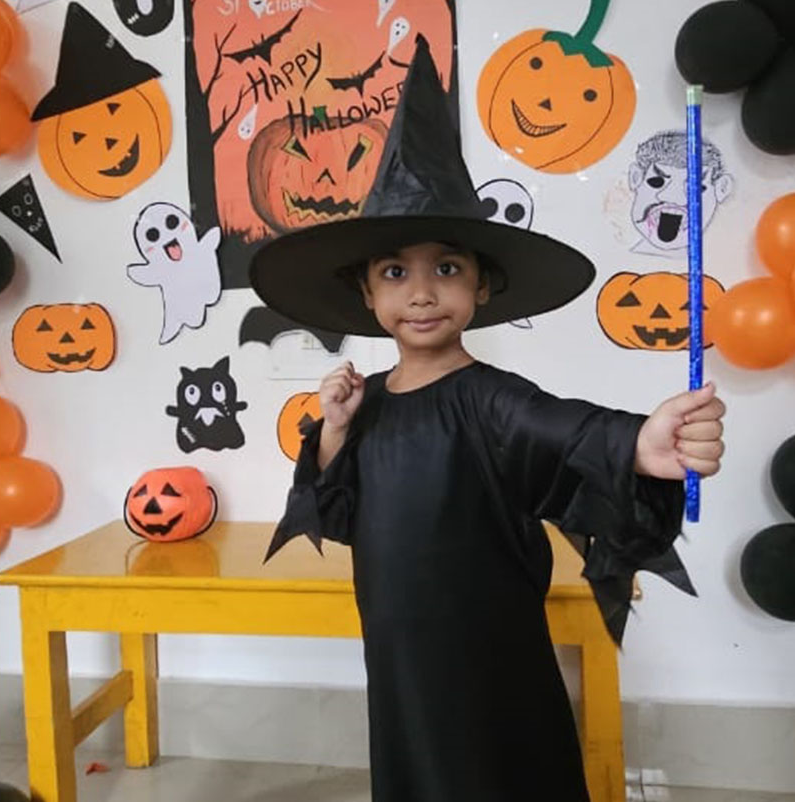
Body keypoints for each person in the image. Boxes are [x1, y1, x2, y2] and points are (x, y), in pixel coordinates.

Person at [250, 36, 725, 802]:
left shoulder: (492, 399)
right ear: (367, 295)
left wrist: (642, 442)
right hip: (397, 650)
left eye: (447, 268)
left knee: (494, 769)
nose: (422, 292)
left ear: (482, 287)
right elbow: (335, 512)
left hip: (488, 646)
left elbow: (566, 432)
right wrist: (334, 428)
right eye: (395, 272)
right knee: (418, 765)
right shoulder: (368, 402)